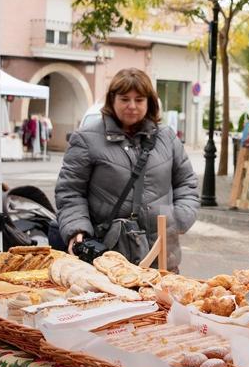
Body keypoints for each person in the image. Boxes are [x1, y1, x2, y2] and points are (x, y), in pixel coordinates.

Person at [55, 68, 199, 270]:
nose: (132, 106)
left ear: (149, 102)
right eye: (124, 99)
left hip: (162, 256)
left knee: (163, 302)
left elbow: (187, 184)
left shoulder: (167, 138)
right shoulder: (86, 139)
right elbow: (70, 191)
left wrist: (179, 220)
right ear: (112, 100)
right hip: (109, 257)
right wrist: (77, 230)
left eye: (139, 100)